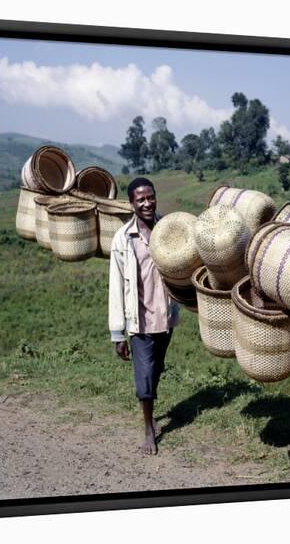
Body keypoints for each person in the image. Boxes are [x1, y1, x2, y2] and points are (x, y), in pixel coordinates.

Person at [108, 177, 180, 455]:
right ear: (132, 204)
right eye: (141, 199)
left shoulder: (167, 229)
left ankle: (150, 403)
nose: (147, 203)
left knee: (157, 367)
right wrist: (117, 332)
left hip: (166, 316)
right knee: (145, 376)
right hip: (139, 319)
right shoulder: (123, 239)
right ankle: (149, 429)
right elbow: (116, 287)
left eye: (150, 197)